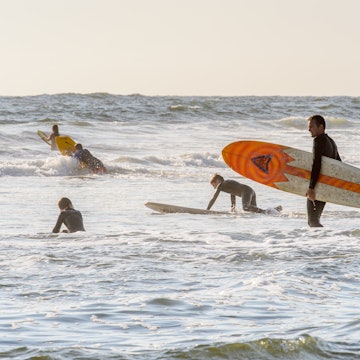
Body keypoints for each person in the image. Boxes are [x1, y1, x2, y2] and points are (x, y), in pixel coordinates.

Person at [306, 115, 341, 227]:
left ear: (321, 127)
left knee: (312, 221)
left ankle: (324, 241)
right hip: (325, 185)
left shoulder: (319, 140)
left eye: (311, 126)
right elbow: (339, 164)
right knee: (315, 220)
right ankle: (322, 241)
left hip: (318, 186)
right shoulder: (331, 142)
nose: (309, 129)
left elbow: (316, 164)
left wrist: (311, 187)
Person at [207, 173, 281, 213]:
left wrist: (207, 210)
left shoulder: (221, 185)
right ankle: (274, 210)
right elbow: (233, 194)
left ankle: (266, 211)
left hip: (246, 191)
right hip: (250, 191)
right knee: (254, 211)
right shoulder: (227, 184)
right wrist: (233, 208)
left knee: (245, 208)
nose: (214, 187)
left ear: (217, 181)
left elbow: (214, 198)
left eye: (213, 185)